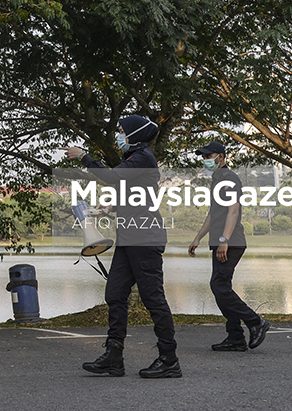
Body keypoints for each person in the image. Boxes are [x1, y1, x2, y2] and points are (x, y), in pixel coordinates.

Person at [65, 115, 180, 379]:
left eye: (121, 131)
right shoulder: (136, 158)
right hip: (129, 238)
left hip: (145, 238)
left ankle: (169, 359)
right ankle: (114, 357)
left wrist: (84, 156)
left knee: (153, 298)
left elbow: (113, 177)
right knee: (115, 294)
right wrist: (107, 208)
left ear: (134, 134)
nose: (119, 135)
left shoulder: (142, 157)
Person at [187, 141, 271, 352]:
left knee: (219, 286)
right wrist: (198, 238)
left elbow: (233, 211)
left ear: (221, 157)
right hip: (220, 242)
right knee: (220, 288)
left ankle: (255, 322)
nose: (205, 159)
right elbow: (213, 213)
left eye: (209, 155)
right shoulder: (217, 180)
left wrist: (224, 239)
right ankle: (235, 337)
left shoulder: (229, 178)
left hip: (231, 242)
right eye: (203, 157)